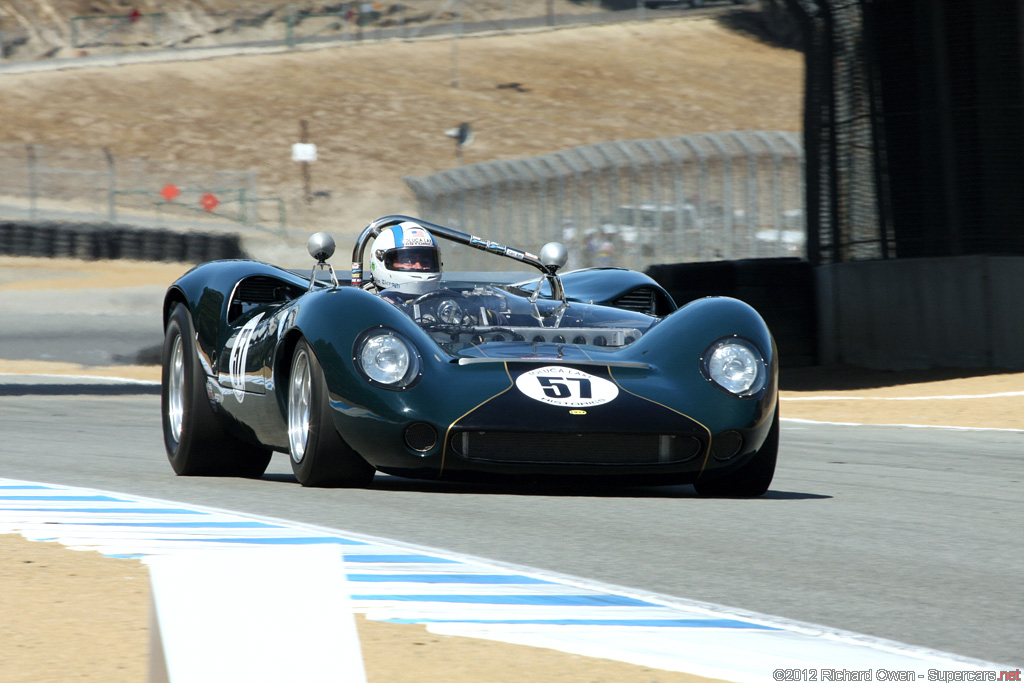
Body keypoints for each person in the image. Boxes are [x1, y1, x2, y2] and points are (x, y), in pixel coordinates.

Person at [368, 221, 442, 297]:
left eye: (425, 261)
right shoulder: (369, 304)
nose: (418, 266)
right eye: (408, 261)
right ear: (382, 261)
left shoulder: (445, 303)